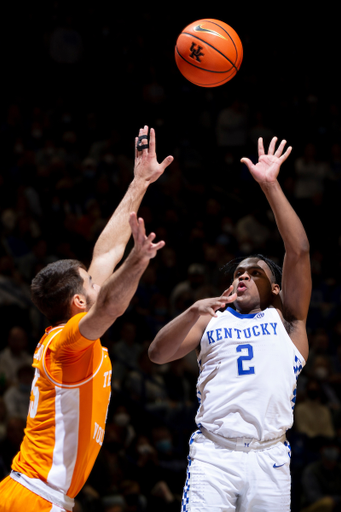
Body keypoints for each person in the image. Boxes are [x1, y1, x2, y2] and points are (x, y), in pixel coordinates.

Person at [0, 126, 173, 512]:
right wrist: (138, 262)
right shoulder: (68, 344)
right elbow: (111, 306)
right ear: (79, 301)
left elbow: (106, 249)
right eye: (91, 282)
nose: (99, 278)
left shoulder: (67, 335)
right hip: (33, 498)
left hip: (35, 494)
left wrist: (139, 183)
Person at [148, 137, 312, 512]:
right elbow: (157, 354)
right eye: (238, 272)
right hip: (214, 454)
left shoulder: (287, 320)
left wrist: (270, 186)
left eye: (255, 273)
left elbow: (299, 251)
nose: (243, 276)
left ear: (274, 288)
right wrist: (193, 311)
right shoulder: (210, 318)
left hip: (269, 456)